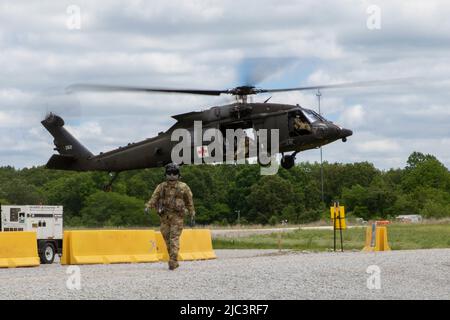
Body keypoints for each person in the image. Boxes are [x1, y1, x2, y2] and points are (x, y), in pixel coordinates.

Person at [145, 163, 195, 270]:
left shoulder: (183, 187)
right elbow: (154, 197)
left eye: (175, 173)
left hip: (177, 217)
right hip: (164, 217)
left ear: (178, 175)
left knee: (174, 238)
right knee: (167, 238)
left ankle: (173, 261)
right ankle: (172, 258)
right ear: (166, 174)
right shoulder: (161, 187)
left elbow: (189, 202)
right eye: (169, 173)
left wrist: (192, 214)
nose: (172, 176)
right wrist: (148, 206)